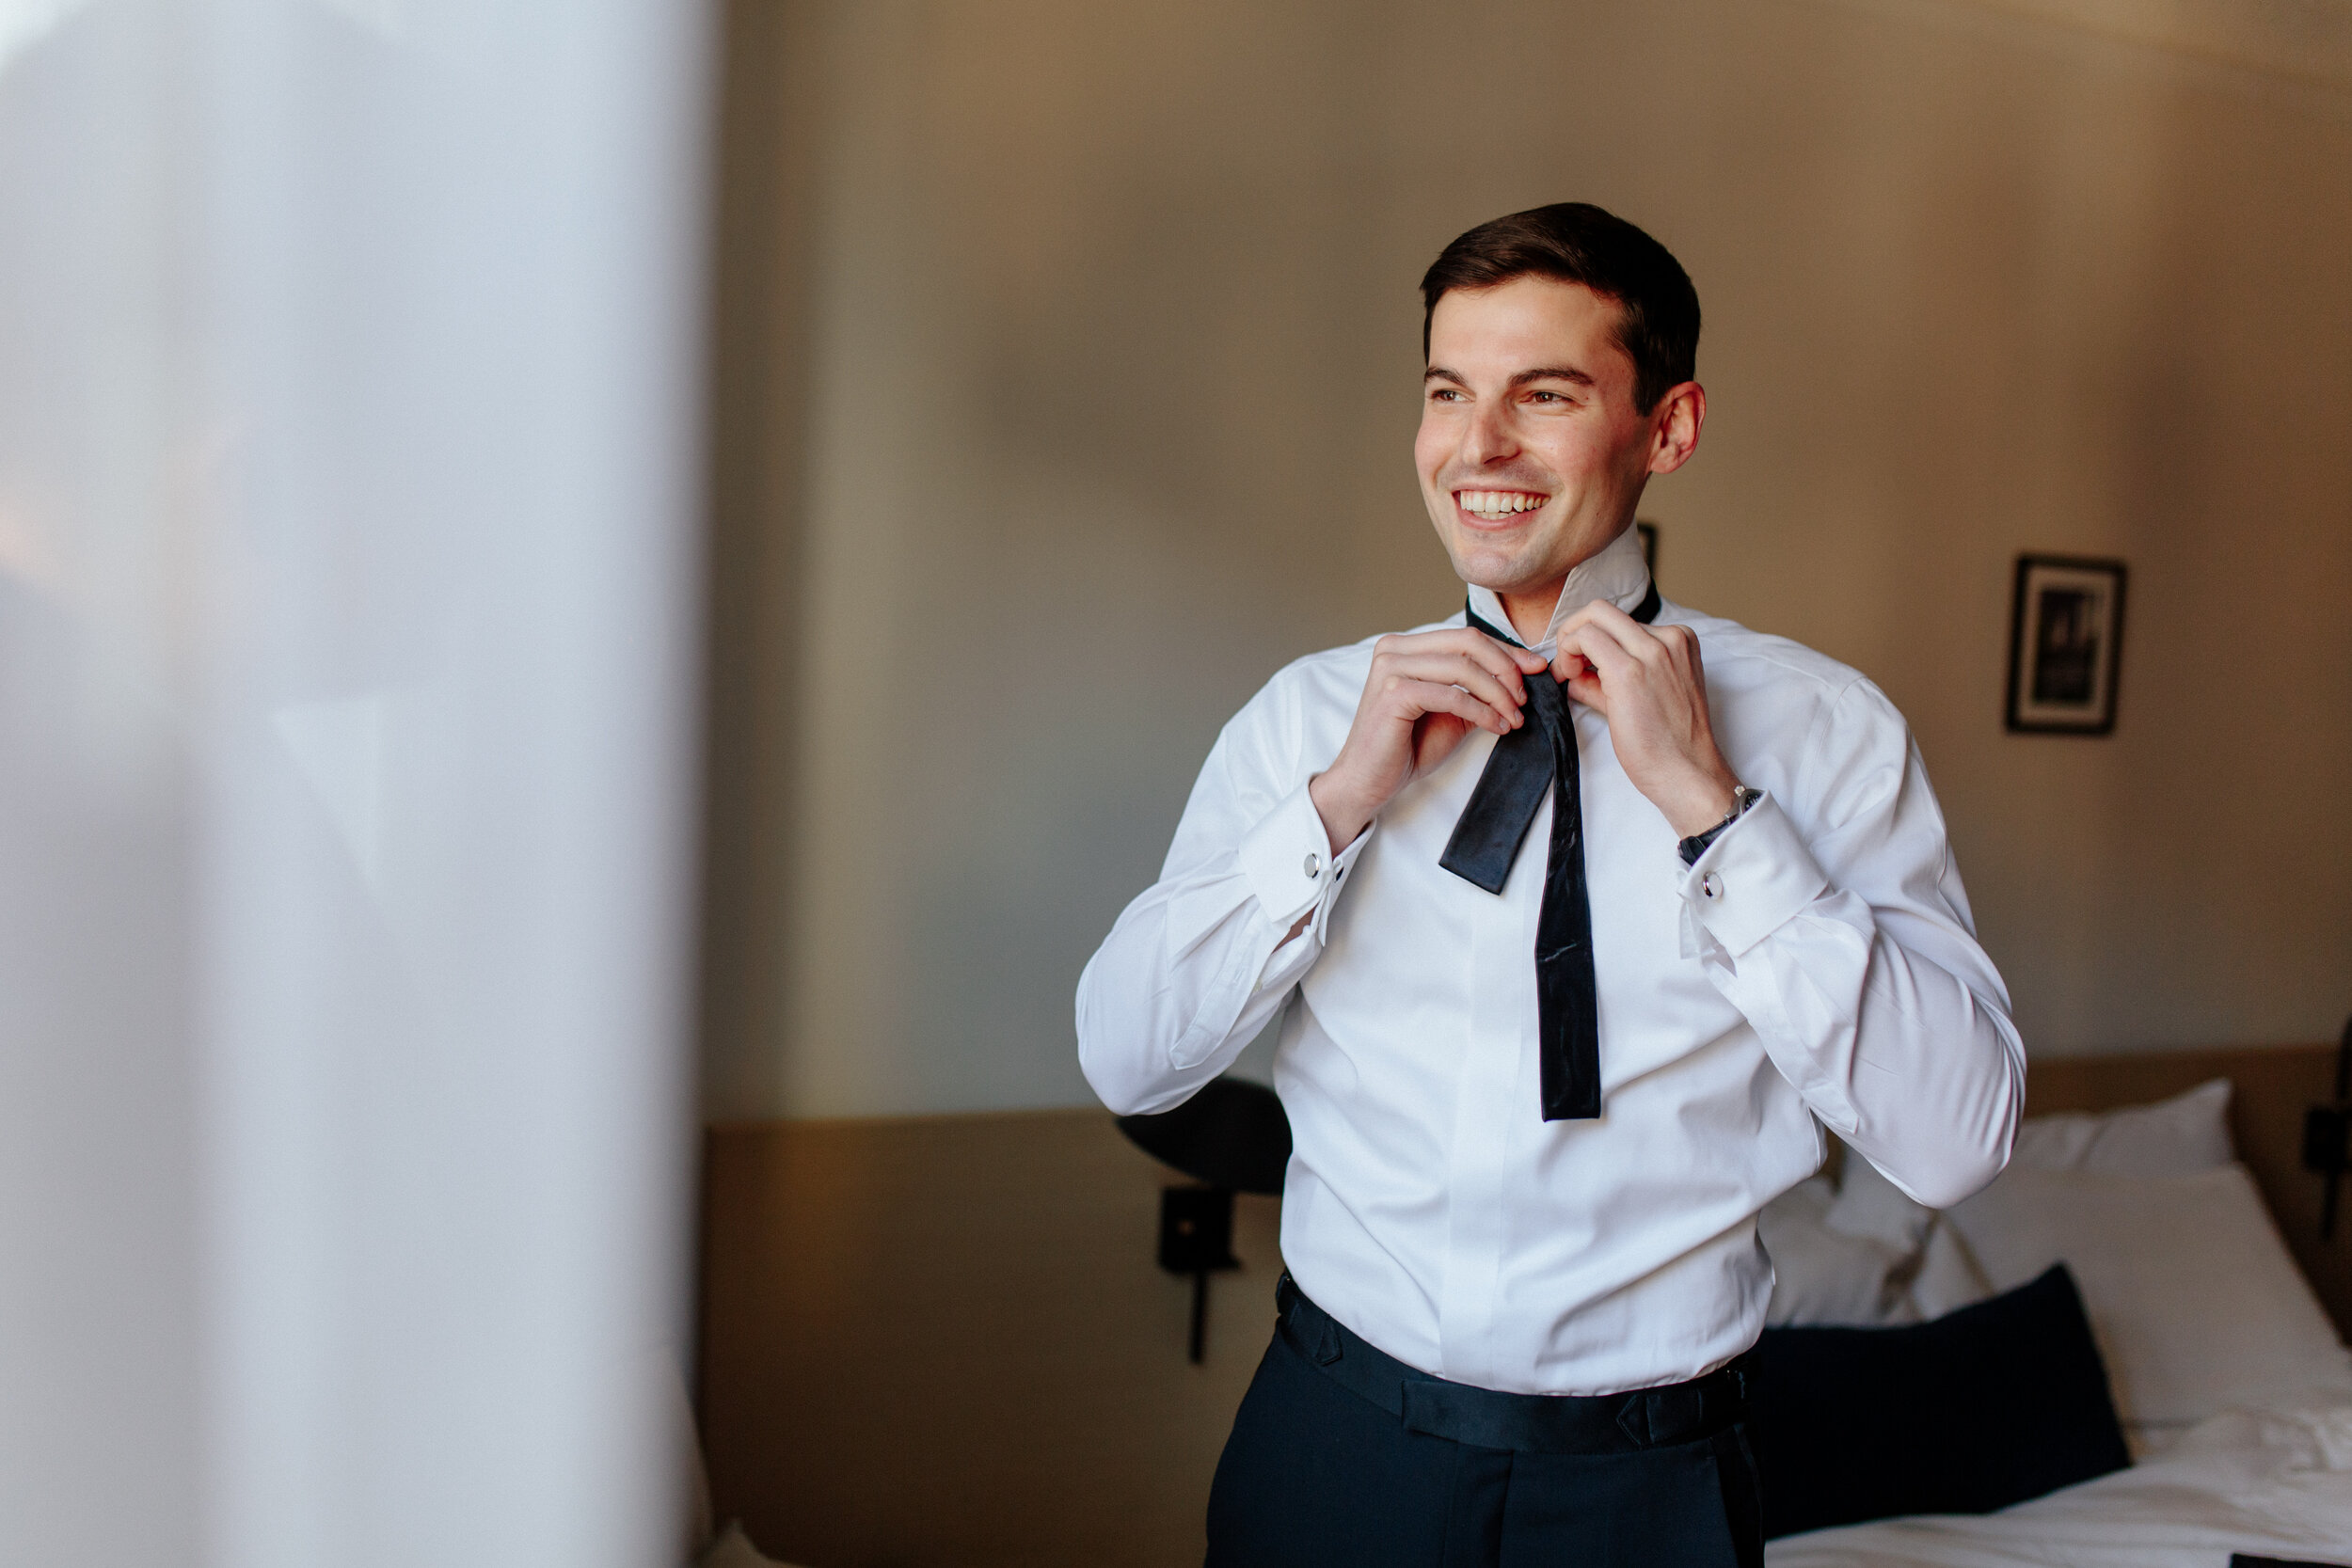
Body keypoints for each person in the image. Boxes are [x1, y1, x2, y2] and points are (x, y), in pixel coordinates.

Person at [1075, 202, 2023, 1567]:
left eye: (1545, 395)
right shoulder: (1309, 723)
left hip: (1654, 1490)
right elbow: (1126, 1056)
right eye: (1449, 393)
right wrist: (1336, 809)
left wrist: (1719, 813)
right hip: (1334, 1445)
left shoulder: (1823, 733)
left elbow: (1958, 1143)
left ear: (1670, 429)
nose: (1479, 449)